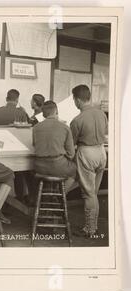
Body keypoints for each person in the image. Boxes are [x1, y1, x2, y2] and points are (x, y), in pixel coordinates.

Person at [70, 85, 108, 238]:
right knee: (94, 193)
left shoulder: (77, 120)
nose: (74, 102)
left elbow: (70, 145)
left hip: (86, 153)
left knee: (89, 195)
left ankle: (90, 229)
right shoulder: (102, 114)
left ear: (78, 100)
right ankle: (94, 227)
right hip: (101, 152)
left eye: (74, 99)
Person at [32, 101, 76, 190]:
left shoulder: (36, 127)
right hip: (58, 166)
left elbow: (34, 145)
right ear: (56, 111)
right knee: (75, 171)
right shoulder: (65, 127)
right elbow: (71, 154)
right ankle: (59, 194)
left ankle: (48, 194)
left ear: (43, 114)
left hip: (39, 167)